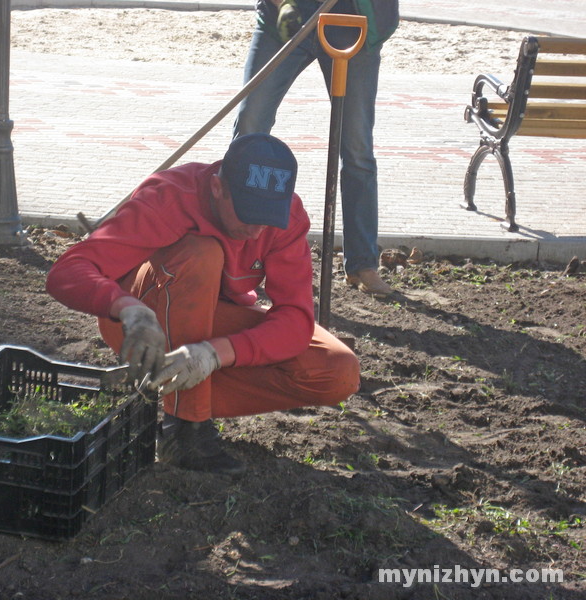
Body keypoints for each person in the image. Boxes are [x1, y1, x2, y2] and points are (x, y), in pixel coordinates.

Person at [46, 133, 359, 475]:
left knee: (337, 372)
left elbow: (295, 321)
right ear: (216, 188)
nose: (256, 231)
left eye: (267, 217)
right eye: (247, 214)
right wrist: (128, 309)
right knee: (202, 254)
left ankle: (159, 383)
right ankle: (186, 431)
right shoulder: (170, 196)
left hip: (210, 322)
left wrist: (214, 354)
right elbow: (67, 272)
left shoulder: (287, 220)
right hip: (142, 322)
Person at [233, 0, 400, 297]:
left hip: (353, 25)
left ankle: (363, 264)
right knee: (249, 128)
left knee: (357, 147)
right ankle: (235, 254)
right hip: (287, 21)